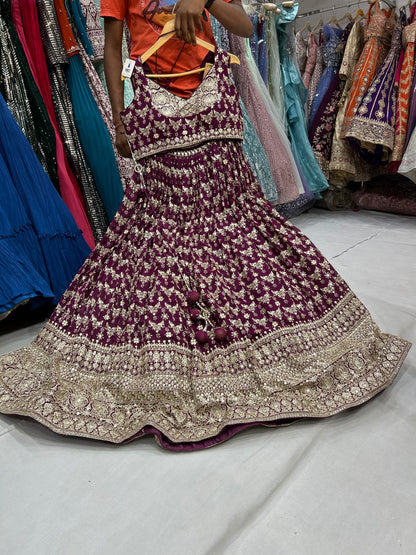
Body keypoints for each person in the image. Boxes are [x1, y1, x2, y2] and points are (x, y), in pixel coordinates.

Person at [0, 0, 410, 451]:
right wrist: (118, 118)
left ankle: (252, 322)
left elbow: (243, 23)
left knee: (237, 215)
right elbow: (113, 48)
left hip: (213, 102)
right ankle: (173, 341)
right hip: (153, 109)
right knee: (158, 227)